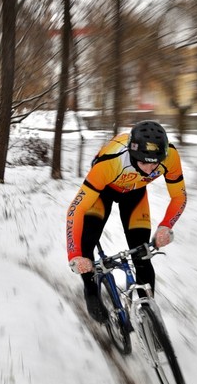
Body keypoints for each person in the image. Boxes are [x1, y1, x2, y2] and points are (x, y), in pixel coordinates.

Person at [66, 120, 187, 322]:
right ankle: (90, 290)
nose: (149, 170)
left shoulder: (170, 156)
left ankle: (149, 317)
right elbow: (75, 209)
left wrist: (166, 225)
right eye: (143, 163)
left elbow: (179, 196)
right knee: (87, 241)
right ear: (133, 154)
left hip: (135, 193)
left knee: (142, 253)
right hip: (103, 191)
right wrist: (75, 255)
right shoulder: (110, 162)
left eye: (154, 163)